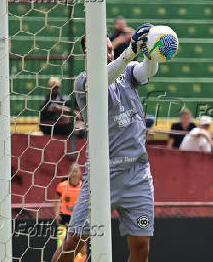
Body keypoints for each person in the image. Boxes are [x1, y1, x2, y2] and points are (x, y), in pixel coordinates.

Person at [52, 23, 158, 262]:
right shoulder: (84, 81)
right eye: (104, 51)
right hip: (102, 175)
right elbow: (102, 80)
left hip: (137, 175)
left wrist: (151, 51)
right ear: (87, 54)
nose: (109, 54)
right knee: (74, 242)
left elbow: (146, 71)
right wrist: (130, 50)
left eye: (110, 49)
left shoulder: (128, 71)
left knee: (142, 246)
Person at [55, 165, 85, 262]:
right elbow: (56, 201)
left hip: (79, 219)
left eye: (77, 171)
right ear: (69, 173)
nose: (75, 173)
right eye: (73, 171)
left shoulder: (83, 186)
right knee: (61, 246)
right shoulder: (62, 185)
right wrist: (57, 214)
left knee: (81, 247)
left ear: (80, 173)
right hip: (64, 218)